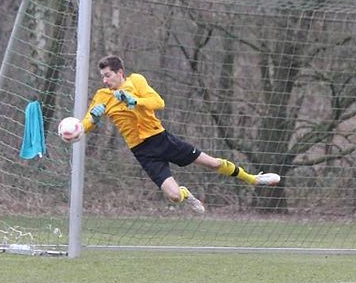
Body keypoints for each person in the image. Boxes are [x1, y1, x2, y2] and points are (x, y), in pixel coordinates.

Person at [81, 55, 280, 213]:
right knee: (175, 197)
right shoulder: (102, 96)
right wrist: (93, 120)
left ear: (120, 72)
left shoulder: (136, 81)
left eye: (108, 75)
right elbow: (84, 125)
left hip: (161, 139)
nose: (105, 80)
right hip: (142, 151)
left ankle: (253, 179)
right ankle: (185, 193)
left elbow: (158, 102)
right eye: (103, 77)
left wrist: (135, 101)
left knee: (213, 164)